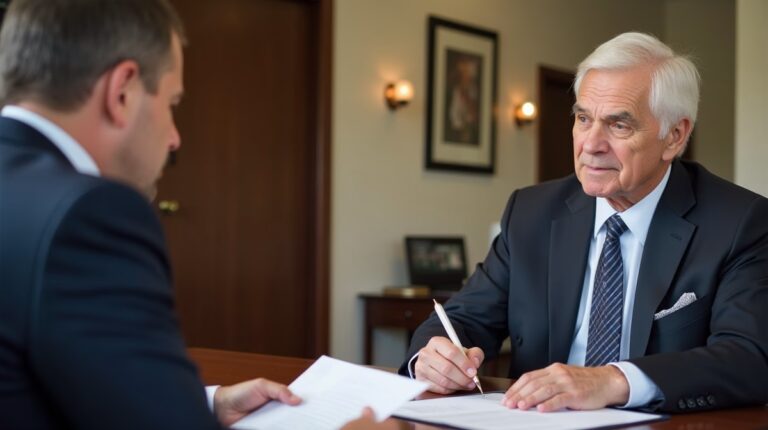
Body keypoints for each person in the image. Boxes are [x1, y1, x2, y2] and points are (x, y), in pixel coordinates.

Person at [0, 1, 395, 429]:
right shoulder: (88, 215)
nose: (174, 138)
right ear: (123, 92)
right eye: (172, 103)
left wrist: (206, 404)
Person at [400, 32, 768, 413]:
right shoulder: (531, 212)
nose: (590, 144)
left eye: (618, 125)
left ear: (674, 137)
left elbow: (749, 357)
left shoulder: (739, 223)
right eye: (582, 118)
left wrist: (612, 380)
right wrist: (433, 356)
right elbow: (463, 318)